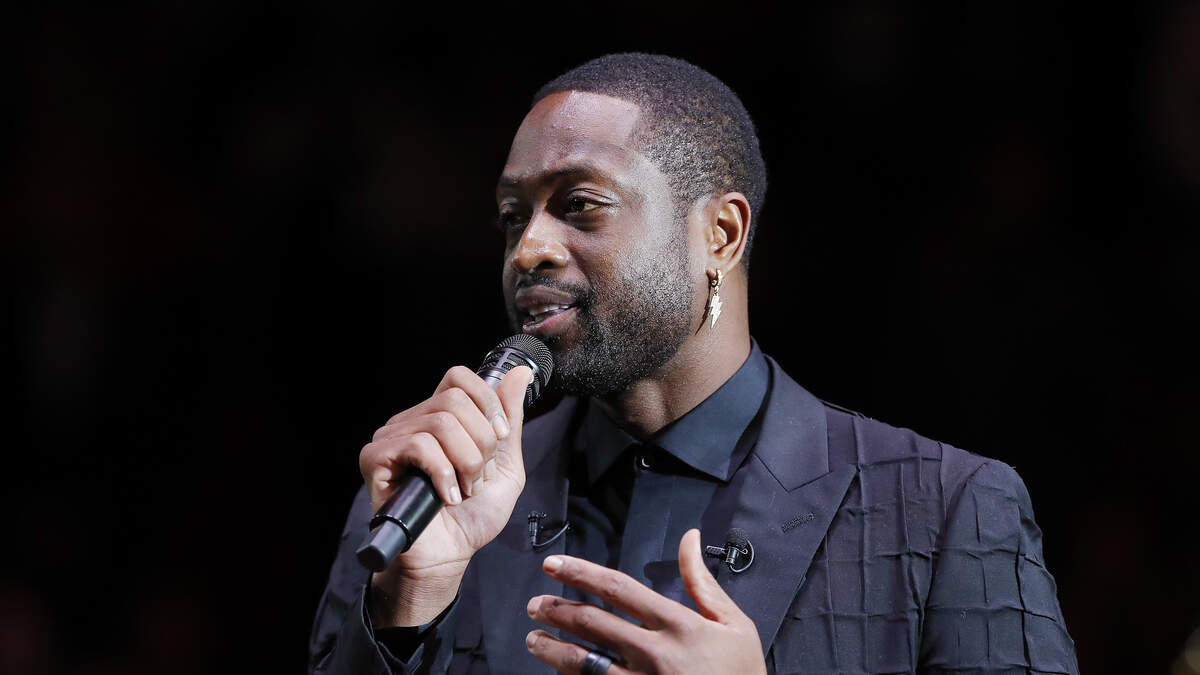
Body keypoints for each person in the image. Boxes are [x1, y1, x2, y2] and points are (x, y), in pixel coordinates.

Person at [309, 54, 1078, 675]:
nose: (528, 248)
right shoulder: (427, 500)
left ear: (721, 234)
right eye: (514, 216)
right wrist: (408, 604)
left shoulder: (945, 511)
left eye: (579, 205)